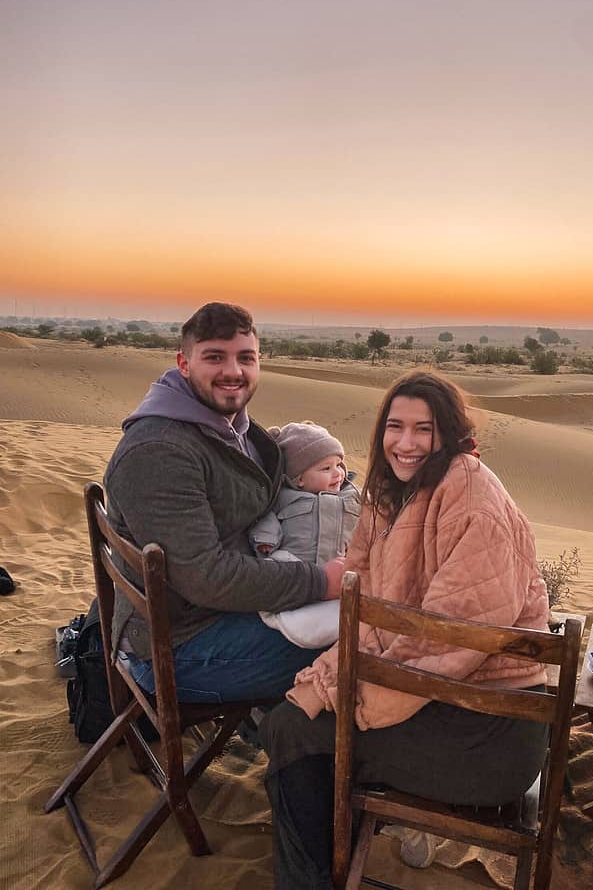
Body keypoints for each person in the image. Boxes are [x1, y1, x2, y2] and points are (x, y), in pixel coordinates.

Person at [259, 370, 551, 890]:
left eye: (425, 429)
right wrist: (331, 681)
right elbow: (368, 608)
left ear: (451, 434)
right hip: (434, 698)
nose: (406, 443)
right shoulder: (392, 492)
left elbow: (450, 638)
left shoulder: (471, 498)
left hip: (486, 731)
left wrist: (352, 701)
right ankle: (334, 859)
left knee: (292, 731)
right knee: (293, 716)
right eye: (395, 427)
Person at [103, 302, 345, 703]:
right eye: (214, 357)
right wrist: (322, 582)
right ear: (183, 363)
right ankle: (306, 752)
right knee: (365, 646)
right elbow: (206, 576)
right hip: (176, 651)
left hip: (211, 615)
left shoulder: (228, 429)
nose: (233, 371)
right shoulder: (159, 451)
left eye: (245, 358)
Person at [249, 421, 361, 649]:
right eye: (326, 468)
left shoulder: (352, 498)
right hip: (298, 570)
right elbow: (266, 521)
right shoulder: (284, 498)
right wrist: (265, 543)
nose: (338, 473)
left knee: (348, 612)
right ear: (299, 478)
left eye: (339, 464)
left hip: (338, 573)